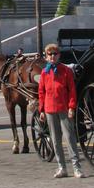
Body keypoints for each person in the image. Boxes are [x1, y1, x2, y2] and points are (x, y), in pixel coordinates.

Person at [38, 43, 84, 179]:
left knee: (70, 138)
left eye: (55, 54)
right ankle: (62, 167)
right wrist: (41, 110)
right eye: (49, 54)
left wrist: (71, 107)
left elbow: (72, 91)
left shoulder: (66, 71)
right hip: (49, 109)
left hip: (64, 108)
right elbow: (41, 92)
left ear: (59, 55)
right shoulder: (44, 72)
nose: (52, 56)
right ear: (46, 57)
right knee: (55, 140)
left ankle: (76, 168)